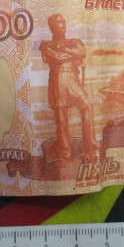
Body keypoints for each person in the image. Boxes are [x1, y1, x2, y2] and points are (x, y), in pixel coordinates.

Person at [40, 14, 100, 162]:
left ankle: (91, 149)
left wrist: (63, 51)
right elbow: (56, 58)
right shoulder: (46, 44)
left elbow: (82, 53)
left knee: (86, 105)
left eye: (63, 22)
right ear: (52, 27)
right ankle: (65, 152)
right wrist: (72, 55)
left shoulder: (74, 41)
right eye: (59, 23)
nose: (63, 25)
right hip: (58, 79)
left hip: (73, 79)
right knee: (61, 116)